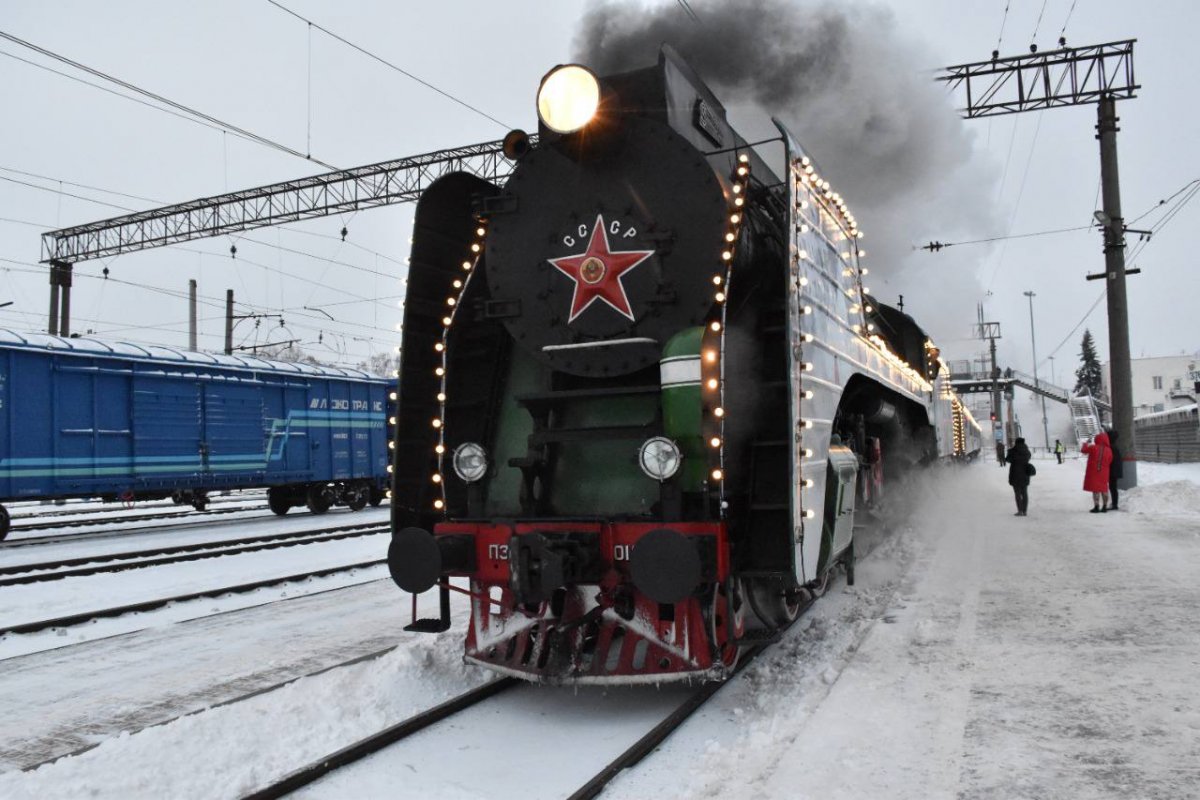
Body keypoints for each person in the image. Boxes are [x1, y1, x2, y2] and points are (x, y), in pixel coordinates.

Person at [1081, 431, 1113, 513]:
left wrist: (1085, 443)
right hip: (1104, 472)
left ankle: (1096, 506)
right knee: (1104, 489)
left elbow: (1083, 450)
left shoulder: (1093, 447)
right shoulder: (1109, 450)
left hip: (1094, 471)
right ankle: (1105, 507)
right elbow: (1110, 460)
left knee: (1095, 489)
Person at [1005, 437, 1032, 516]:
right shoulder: (1027, 451)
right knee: (1024, 493)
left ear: (1016, 442)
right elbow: (1028, 458)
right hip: (1025, 473)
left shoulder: (1013, 450)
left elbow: (1008, 460)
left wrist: (1009, 452)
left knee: (1017, 493)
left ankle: (1020, 511)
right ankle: (1025, 511)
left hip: (1015, 474)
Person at [1107, 429, 1124, 511]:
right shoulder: (1114, 446)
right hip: (1115, 470)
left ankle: (1114, 504)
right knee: (1113, 487)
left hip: (1113, 471)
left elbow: (1110, 460)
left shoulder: (1111, 447)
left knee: (1113, 487)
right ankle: (1114, 504)